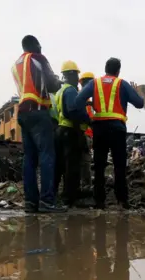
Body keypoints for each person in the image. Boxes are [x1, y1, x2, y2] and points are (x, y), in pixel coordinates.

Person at [75, 58, 144, 210]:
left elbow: (77, 100)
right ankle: (122, 201)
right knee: (119, 165)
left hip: (99, 128)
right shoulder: (122, 84)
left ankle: (99, 201)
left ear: (105, 69)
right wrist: (139, 93)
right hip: (117, 129)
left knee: (99, 166)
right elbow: (139, 104)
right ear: (118, 71)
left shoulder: (95, 83)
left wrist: (90, 107)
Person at [12, 35, 64, 213]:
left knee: (30, 159)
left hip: (23, 113)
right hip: (38, 111)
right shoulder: (36, 58)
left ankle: (31, 202)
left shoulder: (16, 64)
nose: (41, 48)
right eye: (39, 45)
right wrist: (59, 82)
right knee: (47, 156)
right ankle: (47, 201)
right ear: (34, 45)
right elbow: (52, 84)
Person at [53, 61, 90, 207]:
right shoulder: (71, 91)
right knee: (72, 166)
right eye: (76, 74)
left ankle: (58, 195)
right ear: (71, 74)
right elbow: (73, 112)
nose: (77, 78)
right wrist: (79, 133)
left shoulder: (60, 91)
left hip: (60, 131)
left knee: (60, 166)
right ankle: (70, 198)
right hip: (70, 131)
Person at [78, 72, 95, 191]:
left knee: (84, 161)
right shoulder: (83, 98)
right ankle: (86, 185)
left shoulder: (88, 99)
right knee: (84, 161)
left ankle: (84, 184)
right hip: (83, 134)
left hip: (86, 134)